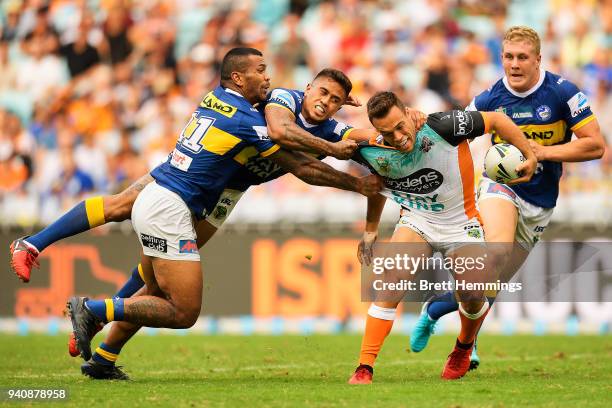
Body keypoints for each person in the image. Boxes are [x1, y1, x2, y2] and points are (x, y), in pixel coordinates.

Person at [61, 48, 384, 379]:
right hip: (201, 178)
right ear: (309, 87)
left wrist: (390, 133)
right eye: (323, 92)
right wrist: (341, 164)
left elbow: (359, 142)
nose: (326, 101)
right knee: (161, 275)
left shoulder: (328, 127)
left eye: (335, 99)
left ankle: (103, 356)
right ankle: (92, 311)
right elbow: (286, 142)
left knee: (158, 279)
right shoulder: (283, 99)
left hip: (226, 194)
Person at [409, 26, 605, 370]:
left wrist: (541, 153)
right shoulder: (489, 98)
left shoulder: (563, 93)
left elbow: (595, 144)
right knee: (494, 255)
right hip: (500, 187)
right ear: (501, 58)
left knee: (491, 284)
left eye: (522, 57)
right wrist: (420, 128)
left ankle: (437, 308)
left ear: (538, 59)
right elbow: (455, 135)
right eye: (508, 57)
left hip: (541, 200)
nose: (514, 64)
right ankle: (463, 349)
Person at [346, 91, 537, 383]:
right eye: (387, 132)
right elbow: (378, 184)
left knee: (473, 294)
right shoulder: (371, 148)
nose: (397, 137)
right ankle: (364, 366)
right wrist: (371, 229)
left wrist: (530, 154)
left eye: (400, 126)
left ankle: (463, 346)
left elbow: (497, 120)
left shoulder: (443, 126)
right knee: (390, 282)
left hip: (461, 223)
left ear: (409, 113)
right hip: (417, 219)